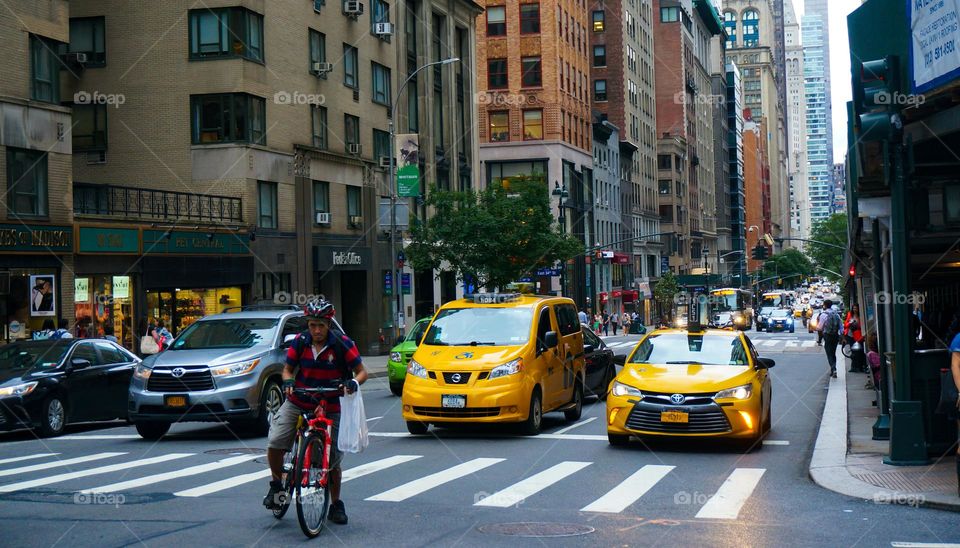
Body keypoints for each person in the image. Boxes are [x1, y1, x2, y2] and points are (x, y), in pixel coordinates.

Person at [264, 298, 367, 525]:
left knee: (331, 461)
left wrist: (353, 383)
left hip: (332, 404)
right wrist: (288, 382)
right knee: (274, 442)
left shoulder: (342, 343)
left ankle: (336, 504)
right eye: (312, 325)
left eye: (321, 325)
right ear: (308, 324)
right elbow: (288, 370)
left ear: (329, 323)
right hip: (299, 400)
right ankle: (276, 486)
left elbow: (362, 372)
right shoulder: (300, 341)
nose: (317, 330)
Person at [819, 299, 843, 378]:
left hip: (827, 335)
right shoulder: (836, 314)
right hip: (835, 335)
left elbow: (820, 327)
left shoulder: (823, 315)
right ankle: (833, 369)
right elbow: (841, 326)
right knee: (833, 353)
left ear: (825, 305)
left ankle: (833, 368)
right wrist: (841, 335)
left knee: (829, 353)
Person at [845, 303, 865, 373]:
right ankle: (853, 367)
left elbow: (862, 326)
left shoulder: (861, 315)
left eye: (856, 308)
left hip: (858, 336)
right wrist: (850, 323)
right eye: (854, 308)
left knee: (859, 352)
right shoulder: (850, 314)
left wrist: (857, 325)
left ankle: (859, 367)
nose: (855, 310)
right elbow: (846, 324)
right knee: (853, 351)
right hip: (851, 335)